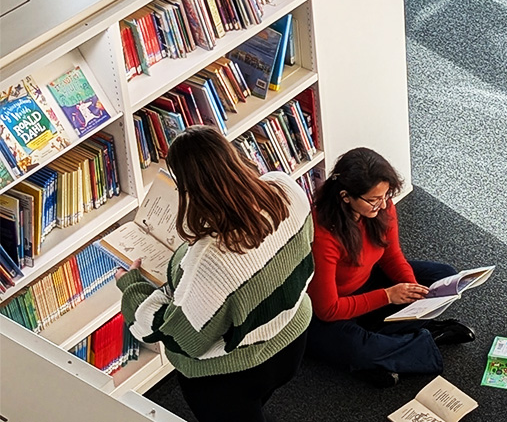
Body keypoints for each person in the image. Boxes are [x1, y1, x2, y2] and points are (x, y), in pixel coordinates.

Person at [115, 126, 314, 422]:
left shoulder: (210, 258)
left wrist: (131, 286)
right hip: (293, 339)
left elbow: (180, 336)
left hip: (236, 373)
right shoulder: (285, 188)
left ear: (188, 189)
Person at [306, 147, 475, 387]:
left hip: (368, 284)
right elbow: (328, 309)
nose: (383, 204)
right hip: (329, 312)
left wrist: (412, 289)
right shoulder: (323, 234)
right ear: (346, 196)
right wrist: (388, 296)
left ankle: (388, 354)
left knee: (443, 277)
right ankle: (425, 339)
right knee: (357, 349)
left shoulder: (382, 206)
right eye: (374, 200)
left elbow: (391, 255)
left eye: (386, 196)